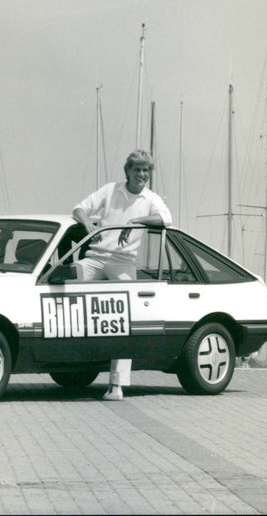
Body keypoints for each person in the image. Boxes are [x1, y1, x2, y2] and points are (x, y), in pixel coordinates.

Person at [72, 149, 172, 401]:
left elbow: (166, 218)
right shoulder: (110, 190)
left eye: (146, 170)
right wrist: (87, 224)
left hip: (123, 264)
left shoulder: (151, 198)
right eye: (137, 169)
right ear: (127, 171)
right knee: (66, 289)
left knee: (125, 318)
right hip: (95, 259)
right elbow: (79, 208)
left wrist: (137, 222)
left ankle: (117, 385)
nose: (141, 175)